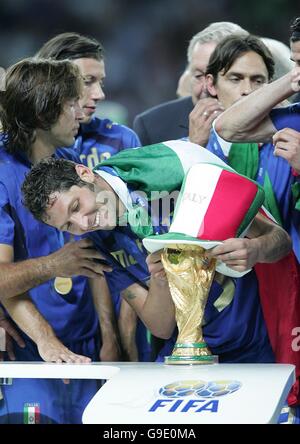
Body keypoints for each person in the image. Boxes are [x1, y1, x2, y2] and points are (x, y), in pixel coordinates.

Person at [22, 142, 293, 372]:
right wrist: (161, 279)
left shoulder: (171, 173)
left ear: (85, 173)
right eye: (68, 226)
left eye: (76, 206)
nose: (82, 224)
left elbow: (280, 241)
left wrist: (256, 250)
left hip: (253, 344)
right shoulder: (98, 243)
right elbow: (160, 327)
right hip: (184, 357)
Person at [0, 58, 112, 423]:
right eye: (71, 103)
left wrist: (109, 337)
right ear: (44, 111)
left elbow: (90, 254)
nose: (82, 111)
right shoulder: (2, 173)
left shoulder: (68, 158)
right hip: (32, 354)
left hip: (85, 347)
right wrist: (47, 339)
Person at [35, 32, 150, 362]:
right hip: (52, 310)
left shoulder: (119, 140)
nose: (98, 94)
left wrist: (120, 333)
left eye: (100, 81)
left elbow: (138, 241)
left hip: (122, 299)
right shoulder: (29, 148)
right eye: (87, 82)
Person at [194, 34, 299, 262]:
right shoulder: (193, 151)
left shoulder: (289, 150)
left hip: (283, 286)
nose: (247, 90)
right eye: (235, 78)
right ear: (211, 84)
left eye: (258, 81)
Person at [133, 22, 247, 146]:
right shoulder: (152, 127)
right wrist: (194, 145)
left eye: (219, 75)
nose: (206, 88)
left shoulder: (269, 126)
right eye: (198, 76)